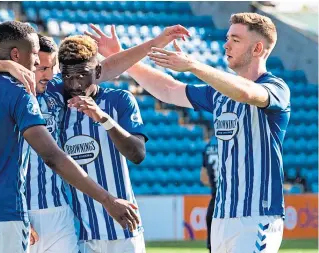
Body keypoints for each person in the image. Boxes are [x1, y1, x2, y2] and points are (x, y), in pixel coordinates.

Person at [0, 24, 190, 253]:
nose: (46, 73)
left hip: (59, 212)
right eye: (39, 66)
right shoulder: (9, 93)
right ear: (23, 63)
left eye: (50, 68)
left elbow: (103, 69)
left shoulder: (55, 91)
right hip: (17, 209)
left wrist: (154, 43)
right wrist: (6, 67)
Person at [90, 12, 290, 253]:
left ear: (258, 48)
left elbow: (247, 94)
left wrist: (193, 65)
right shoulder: (218, 94)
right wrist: (119, 57)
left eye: (235, 40)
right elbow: (168, 89)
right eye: (227, 38)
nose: (226, 44)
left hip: (259, 215)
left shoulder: (276, 88)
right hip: (222, 216)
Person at [59, 35, 148, 253]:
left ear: (98, 71)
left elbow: (137, 154)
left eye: (82, 75)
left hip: (124, 231)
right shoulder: (56, 106)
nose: (75, 84)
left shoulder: (119, 101)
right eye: (67, 76)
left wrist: (103, 118)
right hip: (79, 235)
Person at [200, 135, 219, 252]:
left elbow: (203, 178)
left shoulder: (208, 147)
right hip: (232, 205)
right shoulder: (232, 142)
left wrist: (214, 183)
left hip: (214, 204)